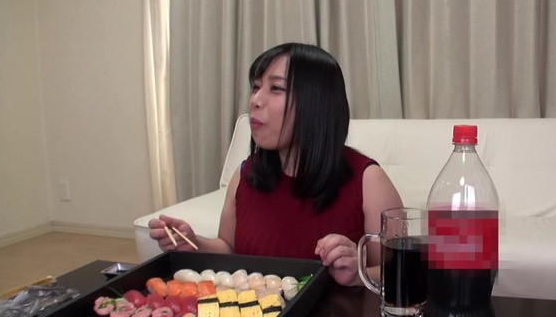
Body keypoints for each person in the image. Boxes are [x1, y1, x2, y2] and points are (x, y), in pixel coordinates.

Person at [148, 42, 403, 286]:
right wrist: (193, 244)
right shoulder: (245, 173)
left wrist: (359, 275)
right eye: (256, 87)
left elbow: (405, 271)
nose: (255, 100)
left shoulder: (368, 180)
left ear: (316, 103)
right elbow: (229, 248)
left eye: (276, 88)